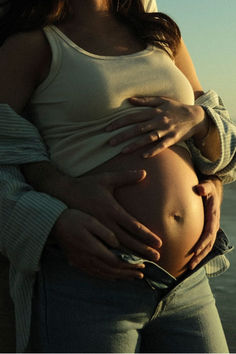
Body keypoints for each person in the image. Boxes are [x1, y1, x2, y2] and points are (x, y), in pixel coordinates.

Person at [0, 0, 235, 352]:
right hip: (91, 279)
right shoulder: (34, 43)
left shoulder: (161, 34)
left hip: (188, 280)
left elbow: (216, 121)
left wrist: (199, 123)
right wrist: (55, 216)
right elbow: (4, 149)